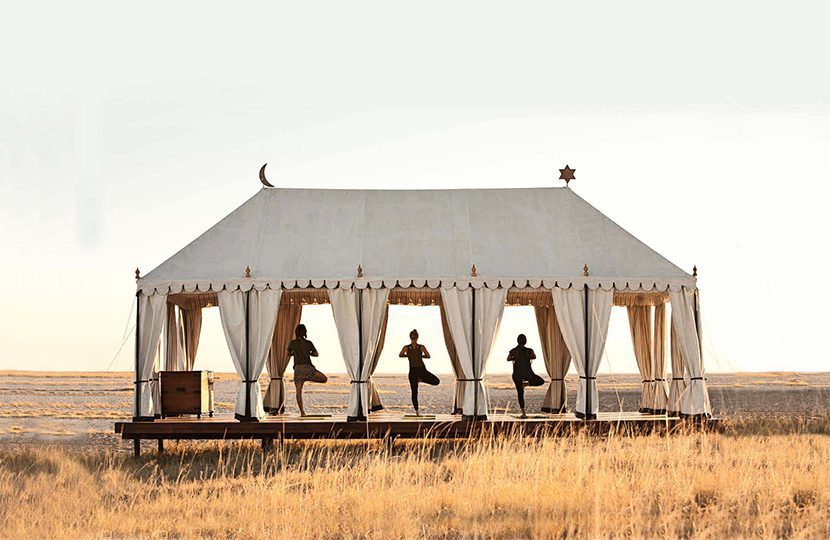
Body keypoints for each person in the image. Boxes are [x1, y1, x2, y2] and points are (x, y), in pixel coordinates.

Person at [288, 324, 328, 416]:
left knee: (298, 392)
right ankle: (308, 378)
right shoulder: (308, 343)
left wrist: (295, 353)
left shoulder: (292, 343)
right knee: (324, 379)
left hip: (297, 369)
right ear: (305, 332)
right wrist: (308, 353)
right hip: (307, 367)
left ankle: (302, 412)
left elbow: (288, 354)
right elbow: (316, 354)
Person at [399, 329, 440, 416]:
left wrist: (409, 355)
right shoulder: (420, 347)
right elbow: (428, 356)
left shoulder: (408, 348)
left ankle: (420, 380)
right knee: (414, 392)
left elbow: (400, 355)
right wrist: (420, 356)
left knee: (435, 382)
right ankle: (417, 412)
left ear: (411, 337)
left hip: (418, 371)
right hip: (417, 371)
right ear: (417, 337)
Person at [508, 334, 544, 418]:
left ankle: (524, 413)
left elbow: (508, 358)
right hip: (528, 373)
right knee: (541, 381)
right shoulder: (529, 350)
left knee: (520, 393)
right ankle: (527, 384)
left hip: (517, 374)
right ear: (525, 341)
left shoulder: (513, 351)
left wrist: (515, 357)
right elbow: (534, 357)